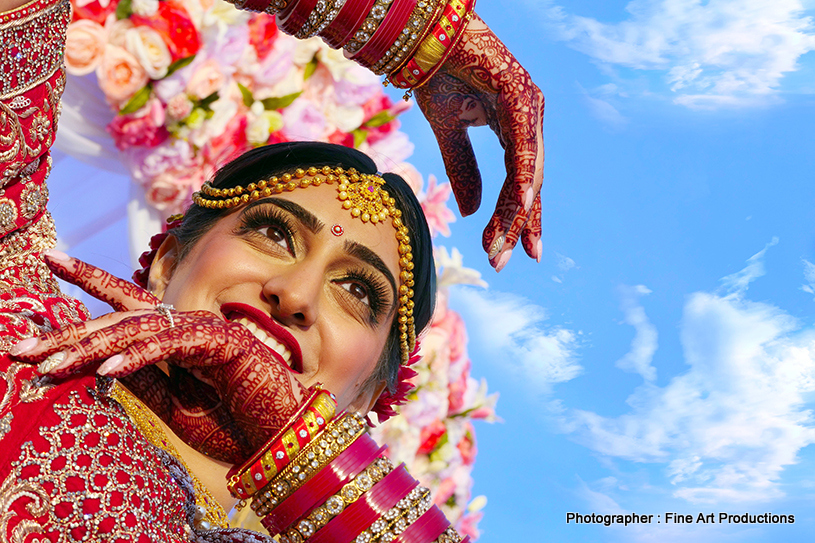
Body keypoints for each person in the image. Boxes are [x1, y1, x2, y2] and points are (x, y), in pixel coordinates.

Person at [0, 0, 542, 539]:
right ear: (167, 263)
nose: (295, 294)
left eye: (356, 290)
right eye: (275, 234)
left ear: (367, 401)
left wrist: (298, 444)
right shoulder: (20, 324)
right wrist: (412, 28)